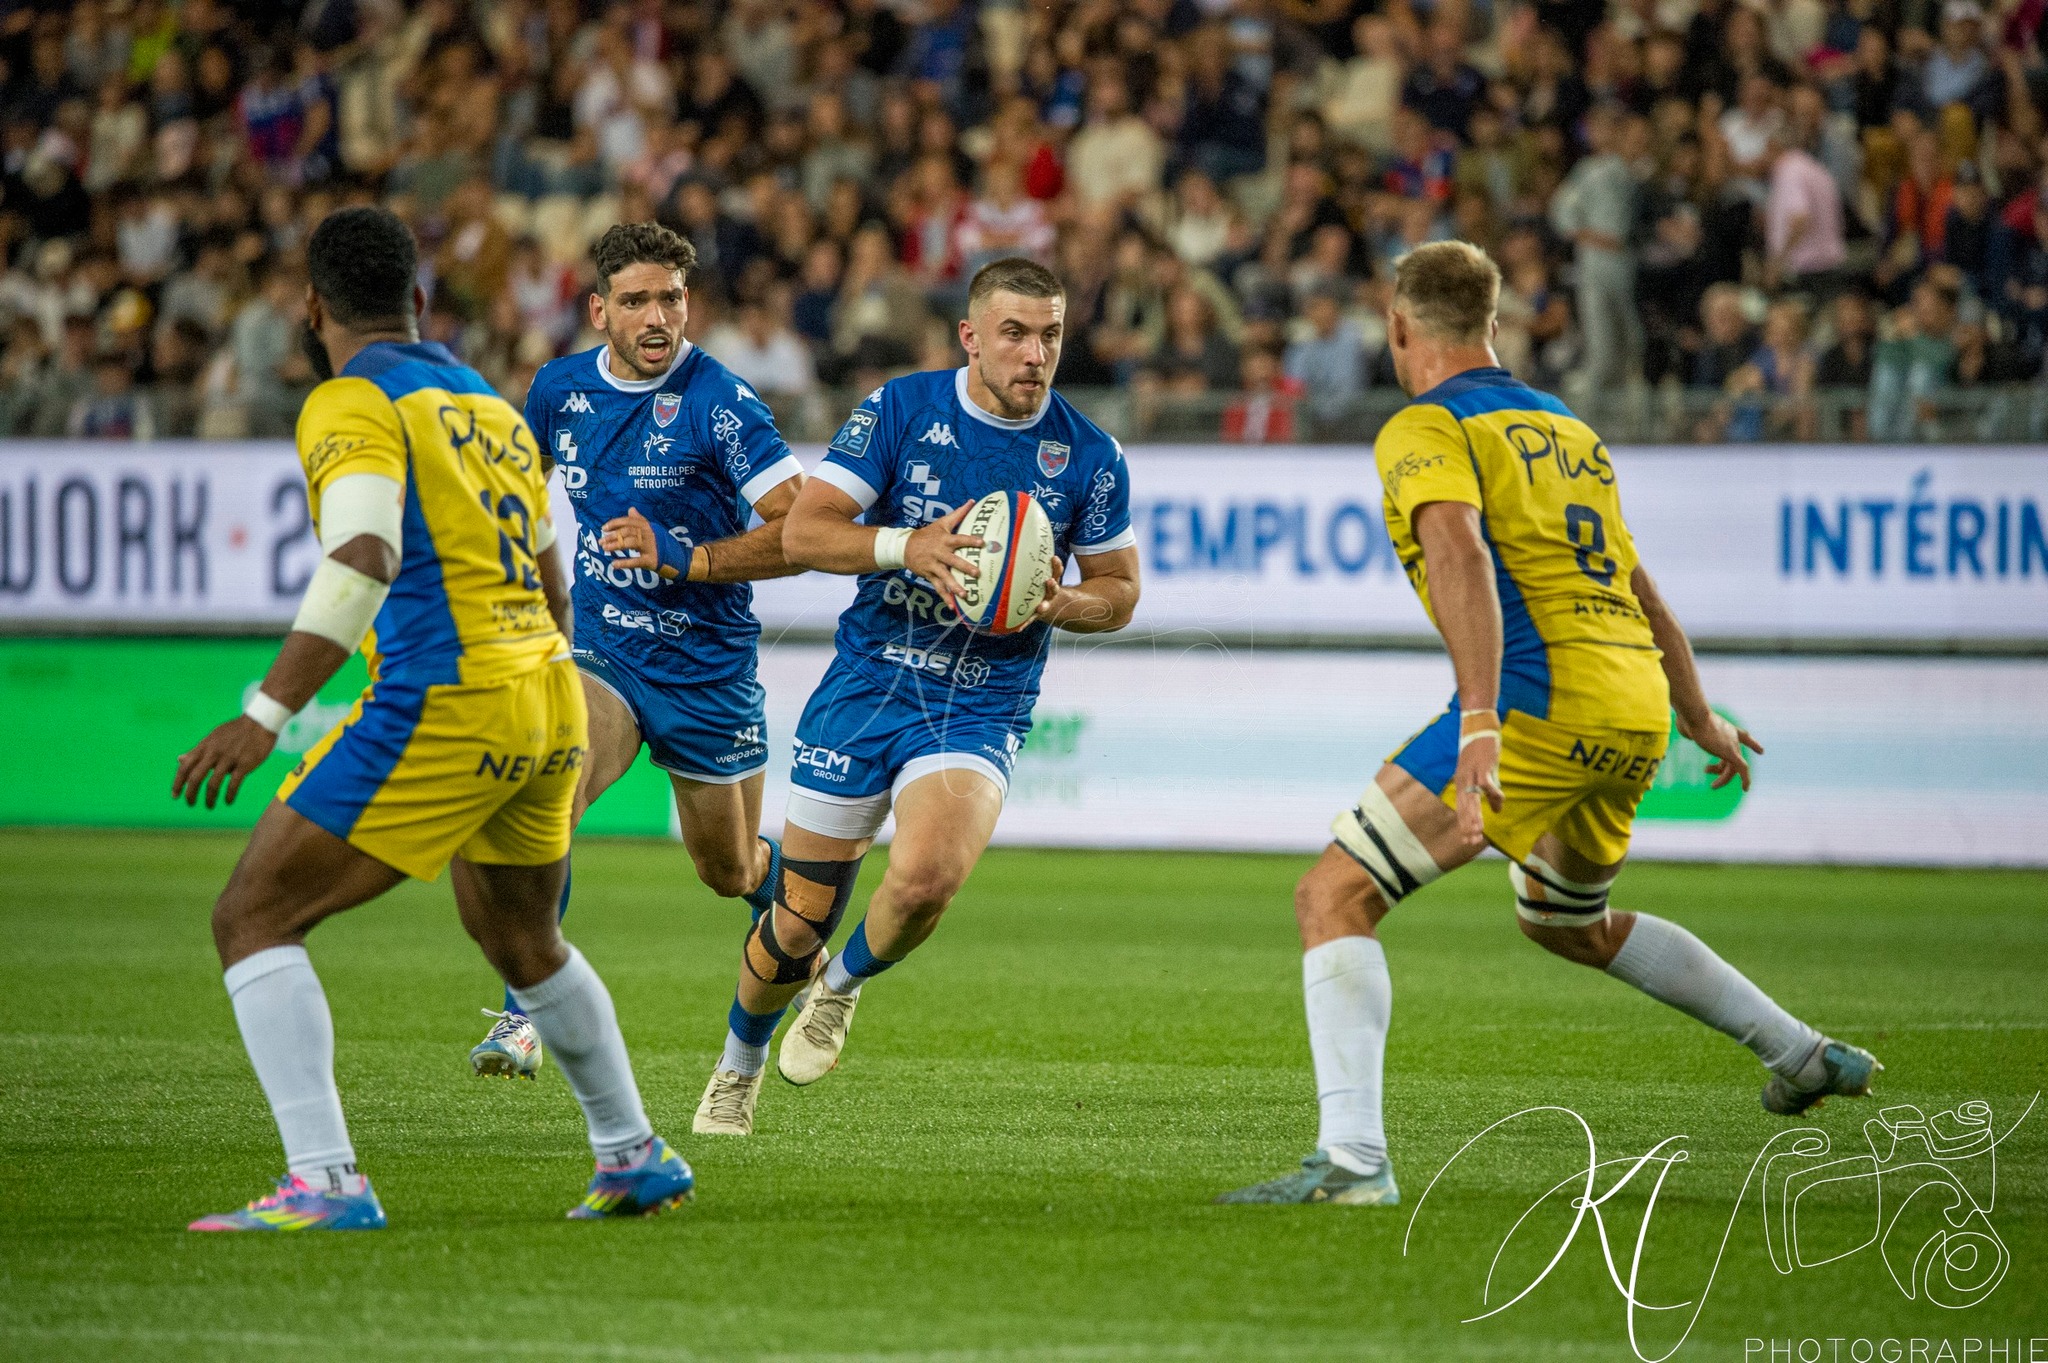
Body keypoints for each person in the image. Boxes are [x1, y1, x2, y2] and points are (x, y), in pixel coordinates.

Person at [1218, 241, 1879, 1207]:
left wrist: (1481, 719)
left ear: (1400, 329)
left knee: (1335, 896)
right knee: (1567, 922)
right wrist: (1698, 713)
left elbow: (1459, 554)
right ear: (1494, 325)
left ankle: (1355, 1161)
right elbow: (1636, 580)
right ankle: (1802, 1052)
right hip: (1632, 702)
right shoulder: (1571, 429)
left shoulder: (1424, 424)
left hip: (1533, 697)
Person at [174, 206, 690, 1231]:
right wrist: (529, 672)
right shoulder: (491, 407)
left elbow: (362, 556)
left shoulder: (350, 402)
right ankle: (630, 1151)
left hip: (445, 697)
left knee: (252, 916)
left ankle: (324, 1182)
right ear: (418, 300)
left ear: (311, 308)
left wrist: (265, 712)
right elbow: (552, 575)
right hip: (548, 694)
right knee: (520, 933)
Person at [691, 257, 1141, 1136]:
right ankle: (737, 1062)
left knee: (928, 877)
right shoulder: (902, 409)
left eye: (1050, 334)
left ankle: (843, 984)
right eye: (1014, 333)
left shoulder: (1089, 453)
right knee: (794, 919)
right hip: (868, 682)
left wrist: (1062, 602)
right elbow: (808, 530)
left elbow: (1120, 592)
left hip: (980, 700)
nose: (1034, 353)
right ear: (970, 337)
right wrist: (910, 548)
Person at [469, 222, 806, 1079]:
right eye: (637, 301)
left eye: (672, 299)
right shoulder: (558, 389)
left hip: (710, 669)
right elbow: (516, 496)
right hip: (605, 652)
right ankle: (523, 1014)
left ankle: (802, 914)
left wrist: (685, 556)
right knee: (555, 782)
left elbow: (800, 531)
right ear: (599, 310)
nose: (658, 316)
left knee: (728, 870)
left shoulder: (721, 400)